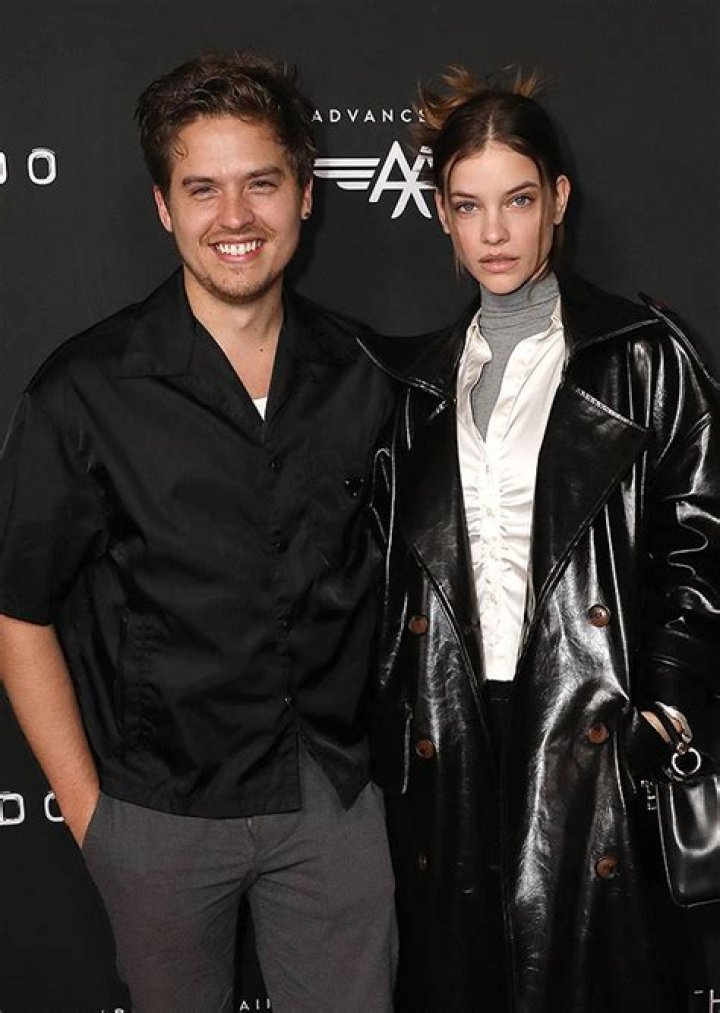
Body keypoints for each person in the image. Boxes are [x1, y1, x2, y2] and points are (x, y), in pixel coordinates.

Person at [0, 51, 397, 1013]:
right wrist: (96, 821)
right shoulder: (84, 390)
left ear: (305, 194)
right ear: (163, 207)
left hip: (329, 799)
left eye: (261, 182)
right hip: (160, 814)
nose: (234, 217)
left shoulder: (365, 373)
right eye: (202, 188)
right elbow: (18, 613)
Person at [362, 67, 720, 1012]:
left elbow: (702, 539)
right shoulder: (419, 384)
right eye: (468, 205)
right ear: (441, 214)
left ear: (558, 200)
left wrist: (664, 708)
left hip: (589, 723)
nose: (494, 232)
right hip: (452, 731)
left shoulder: (643, 355)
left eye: (517, 200)